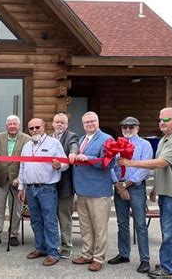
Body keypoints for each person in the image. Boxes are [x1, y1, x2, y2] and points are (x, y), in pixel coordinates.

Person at [119, 108, 172, 279]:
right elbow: (163, 170)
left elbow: (161, 163)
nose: (161, 122)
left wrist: (131, 163)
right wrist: (155, 188)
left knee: (170, 233)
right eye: (159, 119)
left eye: (165, 119)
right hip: (166, 193)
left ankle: (168, 269)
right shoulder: (165, 140)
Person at [17, 118, 67, 266]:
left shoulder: (54, 143)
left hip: (47, 188)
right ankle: (41, 248)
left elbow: (65, 163)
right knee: (36, 221)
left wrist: (59, 166)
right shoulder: (26, 146)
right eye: (31, 128)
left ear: (44, 127)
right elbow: (22, 167)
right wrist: (21, 187)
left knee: (49, 220)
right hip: (31, 188)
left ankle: (53, 252)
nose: (34, 130)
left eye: (37, 127)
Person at [70, 111, 115, 272]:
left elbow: (108, 164)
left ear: (98, 121)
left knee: (99, 227)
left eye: (92, 121)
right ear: (82, 124)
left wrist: (87, 158)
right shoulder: (82, 139)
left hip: (98, 191)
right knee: (85, 226)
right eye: (86, 122)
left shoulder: (107, 139)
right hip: (81, 190)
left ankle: (98, 258)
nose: (89, 124)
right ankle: (87, 254)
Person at [108, 117, 153, 273]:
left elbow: (145, 169)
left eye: (131, 127)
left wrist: (127, 184)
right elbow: (111, 166)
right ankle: (124, 254)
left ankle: (144, 259)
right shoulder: (116, 145)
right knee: (122, 223)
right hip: (120, 187)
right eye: (124, 127)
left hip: (136, 188)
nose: (127, 129)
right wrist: (119, 185)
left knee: (140, 224)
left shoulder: (144, 145)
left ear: (137, 128)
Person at [0, 115, 30, 248]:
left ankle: (13, 234)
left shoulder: (26, 139)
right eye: (9, 124)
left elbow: (27, 162)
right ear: (6, 126)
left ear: (19, 125)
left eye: (14, 124)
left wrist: (20, 179)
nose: (12, 126)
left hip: (17, 180)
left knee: (16, 209)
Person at [50, 112, 79, 259]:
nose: (59, 124)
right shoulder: (48, 138)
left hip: (65, 185)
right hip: (49, 184)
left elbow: (74, 147)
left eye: (62, 122)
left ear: (66, 125)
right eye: (57, 122)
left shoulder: (71, 136)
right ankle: (52, 245)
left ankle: (67, 246)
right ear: (53, 124)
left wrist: (72, 154)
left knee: (64, 217)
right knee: (50, 217)